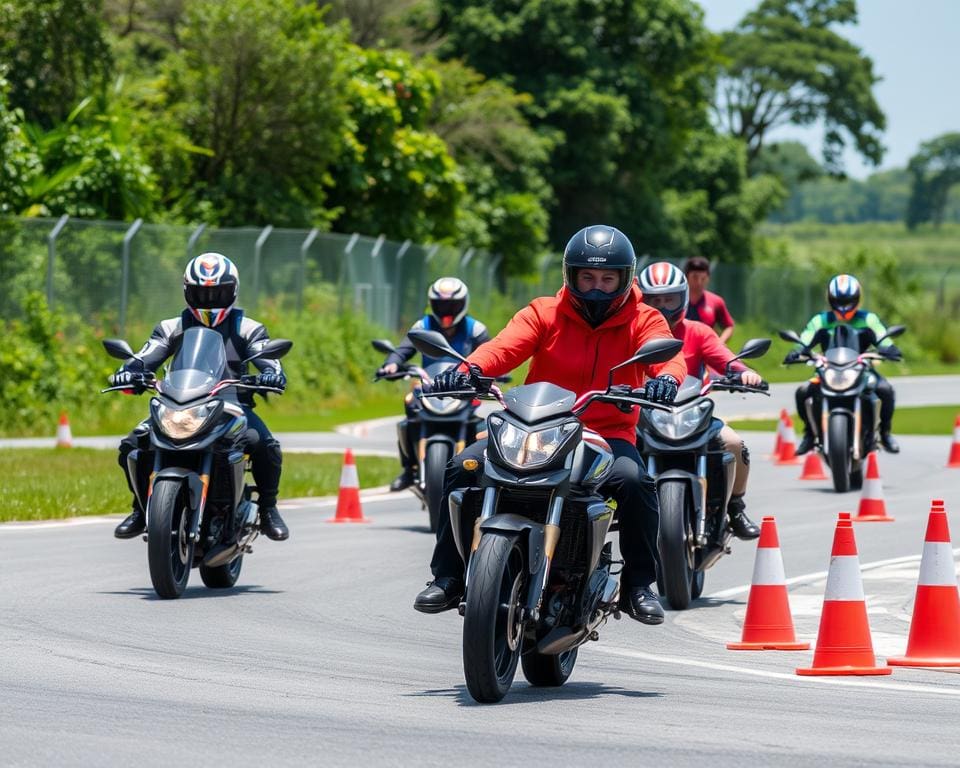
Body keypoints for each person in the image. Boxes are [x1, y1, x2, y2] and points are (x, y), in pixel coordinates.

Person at [413, 225, 687, 625]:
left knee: (635, 483)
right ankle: (449, 576)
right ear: (570, 276)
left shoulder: (643, 319)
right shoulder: (544, 312)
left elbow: (668, 358)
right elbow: (503, 347)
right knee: (461, 468)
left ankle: (638, 586)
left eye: (607, 279)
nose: (596, 288)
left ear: (625, 279)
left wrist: (666, 380)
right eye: (587, 277)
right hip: (536, 426)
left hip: (606, 435)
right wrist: (467, 370)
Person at [111, 252, 290, 542]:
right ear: (187, 291)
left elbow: (268, 358)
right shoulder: (171, 327)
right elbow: (146, 356)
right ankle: (140, 508)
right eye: (201, 293)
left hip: (233, 406)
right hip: (177, 404)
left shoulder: (248, 327)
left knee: (265, 445)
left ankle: (268, 509)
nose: (210, 301)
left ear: (232, 290)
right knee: (133, 444)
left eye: (217, 292)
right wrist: (127, 371)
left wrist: (273, 375)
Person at [638, 262, 763, 540]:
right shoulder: (634, 332)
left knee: (734, 444)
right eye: (653, 300)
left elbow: (723, 357)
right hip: (645, 416)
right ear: (641, 301)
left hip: (692, 413)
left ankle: (735, 508)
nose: (661, 307)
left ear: (681, 297)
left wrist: (745, 373)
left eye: (668, 299)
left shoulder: (697, 331)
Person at [377, 277, 490, 492]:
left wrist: (497, 373)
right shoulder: (423, 325)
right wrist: (391, 364)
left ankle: (480, 471)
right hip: (429, 389)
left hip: (463, 391)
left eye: (452, 305)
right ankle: (409, 470)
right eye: (441, 305)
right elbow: (404, 350)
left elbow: (493, 354)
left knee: (483, 427)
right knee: (409, 407)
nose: (446, 310)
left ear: (462, 304)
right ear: (432, 304)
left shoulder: (475, 329)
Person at [786, 273, 901, 455]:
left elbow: (881, 337)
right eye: (839, 300)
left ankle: (885, 433)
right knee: (802, 392)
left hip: (861, 370)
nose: (844, 305)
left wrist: (890, 348)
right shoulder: (820, 321)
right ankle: (809, 433)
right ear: (830, 299)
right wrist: (797, 351)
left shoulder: (868, 319)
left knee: (886, 390)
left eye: (848, 300)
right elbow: (805, 339)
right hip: (827, 370)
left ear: (857, 298)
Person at [683, 256, 735, 344]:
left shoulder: (716, 301)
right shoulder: (677, 300)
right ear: (687, 277)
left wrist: (720, 342)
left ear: (708, 278)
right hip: (681, 351)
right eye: (695, 277)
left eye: (703, 278)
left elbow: (729, 326)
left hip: (706, 352)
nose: (699, 282)